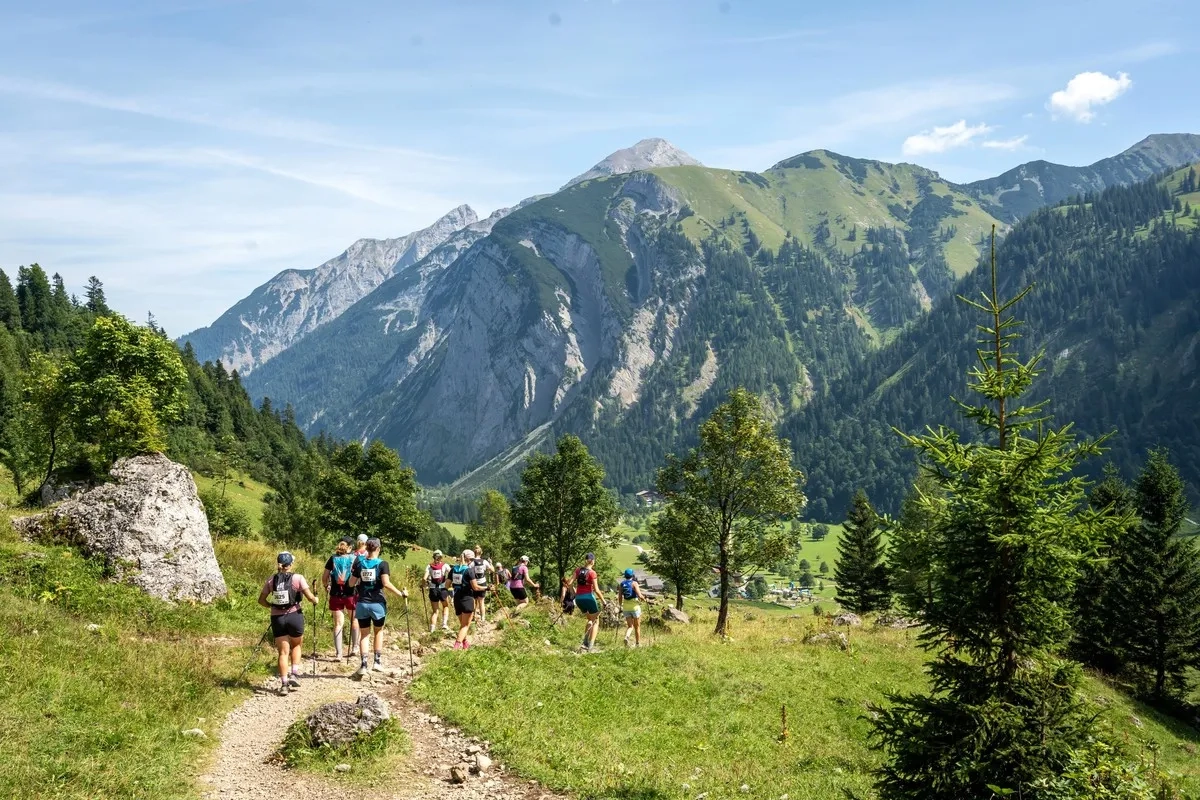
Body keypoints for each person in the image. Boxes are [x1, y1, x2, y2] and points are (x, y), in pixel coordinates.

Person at [257, 552, 318, 696]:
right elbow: (310, 598)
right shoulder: (298, 578)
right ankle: (294, 674)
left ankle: (284, 685)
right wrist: (316, 599)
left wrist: (272, 606)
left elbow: (261, 600)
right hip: (294, 616)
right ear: (291, 564)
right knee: (297, 644)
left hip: (277, 618)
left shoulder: (272, 580)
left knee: (283, 652)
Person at [348, 537, 408, 674]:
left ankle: (363, 665)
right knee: (378, 631)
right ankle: (377, 662)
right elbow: (386, 583)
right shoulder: (383, 564)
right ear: (378, 548)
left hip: (362, 603)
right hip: (377, 603)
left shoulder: (359, 563)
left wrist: (359, 582)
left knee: (364, 635)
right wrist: (401, 594)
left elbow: (351, 583)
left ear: (367, 548)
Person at [322, 537, 361, 662]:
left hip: (335, 594)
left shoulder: (332, 559)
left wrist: (326, 586)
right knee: (354, 620)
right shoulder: (355, 559)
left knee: (338, 624)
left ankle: (339, 654)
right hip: (351, 594)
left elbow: (325, 576)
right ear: (349, 548)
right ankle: (355, 647)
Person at [450, 549, 483, 650]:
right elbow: (476, 587)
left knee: (462, 625)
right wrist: (487, 588)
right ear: (469, 559)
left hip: (456, 598)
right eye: (472, 559)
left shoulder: (453, 569)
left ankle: (465, 643)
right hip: (467, 599)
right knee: (465, 626)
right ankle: (456, 647)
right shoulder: (469, 570)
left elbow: (447, 585)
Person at [574, 552, 604, 651]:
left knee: (590, 619)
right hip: (589, 598)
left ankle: (585, 642)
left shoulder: (578, 570)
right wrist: (604, 601)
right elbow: (596, 589)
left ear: (585, 560)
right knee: (596, 621)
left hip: (578, 599)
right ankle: (590, 646)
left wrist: (573, 593)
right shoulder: (592, 573)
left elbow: (569, 583)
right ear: (593, 561)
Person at [424, 549, 452, 632]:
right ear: (441, 557)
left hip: (433, 589)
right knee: (446, 606)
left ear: (433, 557)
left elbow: (424, 578)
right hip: (443, 588)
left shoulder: (429, 566)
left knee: (435, 611)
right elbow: (451, 573)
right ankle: (444, 624)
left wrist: (423, 584)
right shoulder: (445, 565)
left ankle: (432, 629)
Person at [619, 568, 648, 647]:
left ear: (625, 576)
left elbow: (620, 597)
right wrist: (644, 599)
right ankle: (638, 644)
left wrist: (620, 605)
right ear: (632, 575)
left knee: (630, 626)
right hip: (635, 607)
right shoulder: (634, 583)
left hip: (626, 607)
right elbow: (639, 594)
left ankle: (626, 636)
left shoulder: (621, 584)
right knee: (637, 626)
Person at [470, 545, 493, 625]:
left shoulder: (472, 563)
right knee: (481, 601)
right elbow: (492, 570)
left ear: (474, 553)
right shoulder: (485, 562)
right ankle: (483, 618)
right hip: (483, 582)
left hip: (474, 583)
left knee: (474, 601)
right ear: (481, 553)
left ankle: (473, 617)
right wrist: (491, 563)